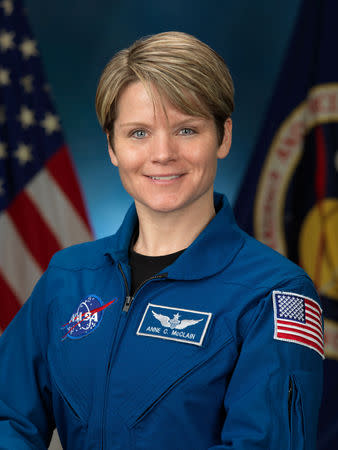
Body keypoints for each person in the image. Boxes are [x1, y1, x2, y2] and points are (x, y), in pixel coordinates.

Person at [0, 31, 323, 449]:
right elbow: (7, 414)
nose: (163, 153)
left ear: (223, 137)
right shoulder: (68, 278)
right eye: (138, 133)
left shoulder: (274, 295)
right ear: (112, 146)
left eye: (186, 130)